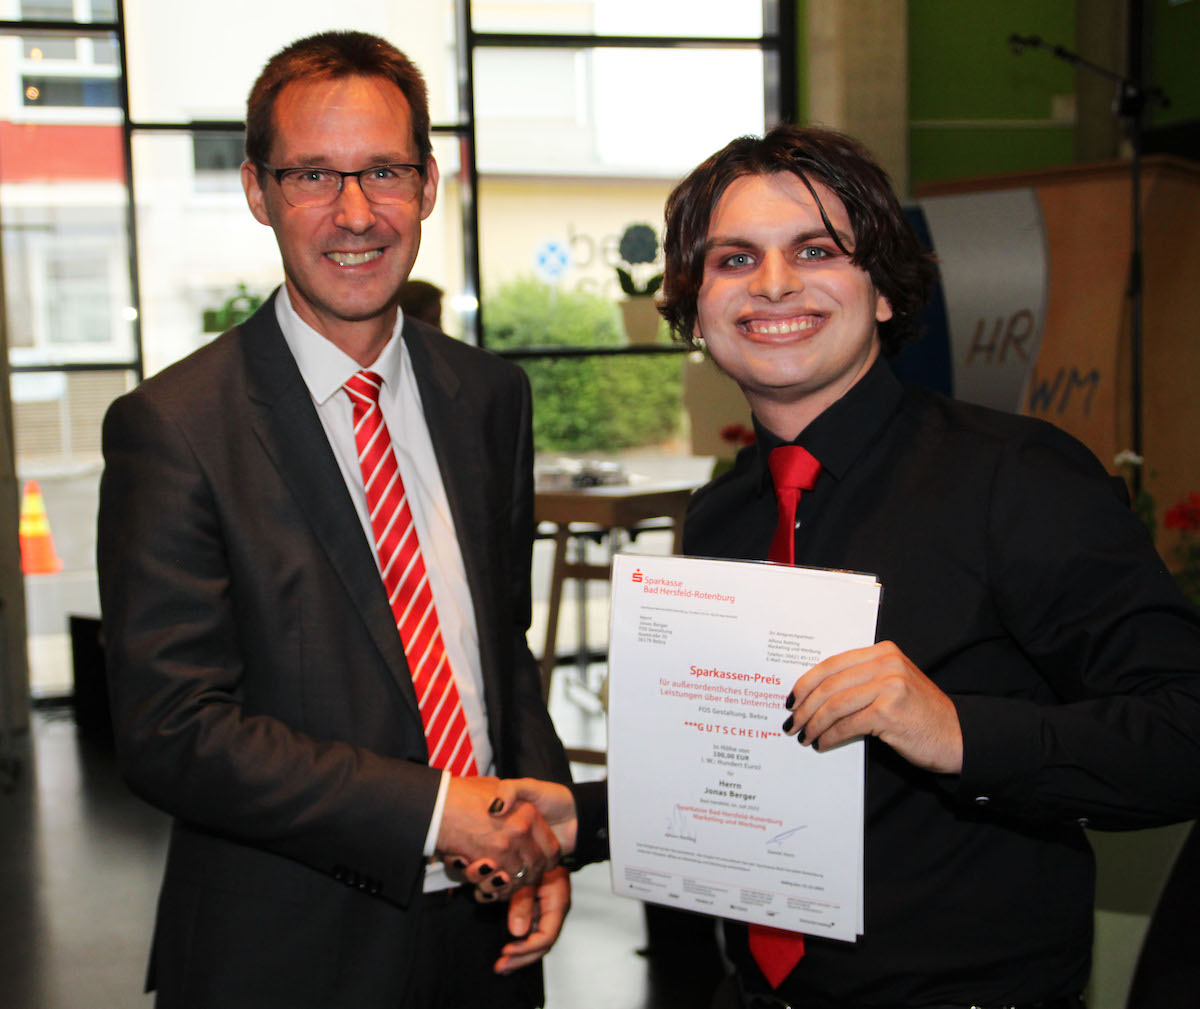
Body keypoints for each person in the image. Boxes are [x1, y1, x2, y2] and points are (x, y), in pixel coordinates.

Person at [479, 124, 1200, 1009]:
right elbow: (752, 768)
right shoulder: (722, 516)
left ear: (884, 291)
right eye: (734, 259)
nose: (774, 283)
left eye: (815, 250)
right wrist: (585, 819)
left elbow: (1184, 732)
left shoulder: (1015, 478)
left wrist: (958, 732)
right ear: (695, 310)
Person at [97, 30, 571, 1009]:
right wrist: (438, 809)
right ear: (257, 190)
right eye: (313, 174)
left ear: (428, 184)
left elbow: (501, 648)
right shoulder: (175, 427)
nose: (355, 213)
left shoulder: (489, 395)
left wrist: (532, 827)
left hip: (490, 940)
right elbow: (172, 728)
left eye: (385, 171)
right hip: (288, 952)